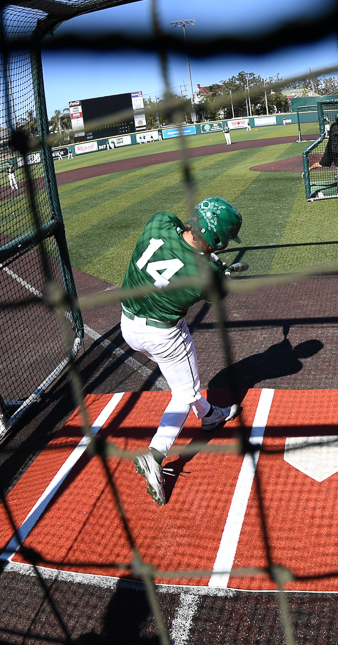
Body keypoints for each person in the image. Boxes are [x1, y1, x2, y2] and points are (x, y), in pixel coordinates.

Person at [122, 197, 246, 506]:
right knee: (184, 391)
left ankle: (208, 416)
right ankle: (155, 454)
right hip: (162, 335)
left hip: (127, 323)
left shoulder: (160, 220)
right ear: (215, 239)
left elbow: (181, 236)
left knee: (185, 380)